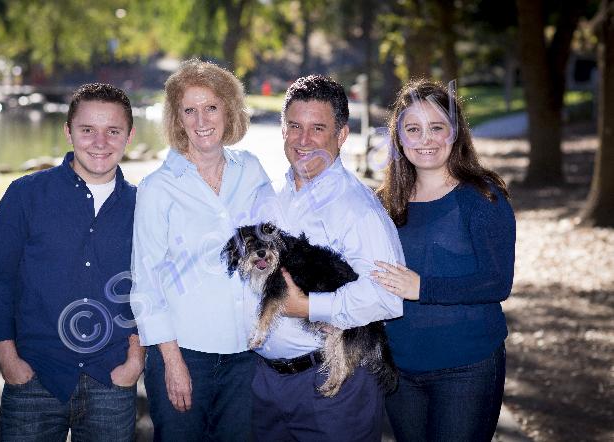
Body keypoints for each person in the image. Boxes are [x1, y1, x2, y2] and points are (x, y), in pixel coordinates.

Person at [0, 83, 145, 441]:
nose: (100, 142)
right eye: (87, 130)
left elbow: (152, 289)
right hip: (34, 377)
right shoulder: (24, 195)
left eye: (113, 131)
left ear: (129, 136)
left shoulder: (144, 206)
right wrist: (9, 361)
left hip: (111, 380)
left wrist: (135, 361)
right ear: (68, 131)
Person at [249, 74, 404, 441]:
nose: (303, 140)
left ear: (342, 134)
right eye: (294, 126)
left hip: (335, 386)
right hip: (265, 385)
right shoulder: (265, 197)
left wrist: (309, 307)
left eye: (318, 128)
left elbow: (388, 297)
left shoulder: (359, 209)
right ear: (283, 130)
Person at [129, 59, 271, 441]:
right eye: (189, 110)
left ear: (229, 110)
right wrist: (172, 362)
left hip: (246, 356)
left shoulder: (252, 171)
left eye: (211, 107)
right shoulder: (157, 188)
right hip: (184, 354)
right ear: (177, 119)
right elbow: (146, 284)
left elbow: (275, 246)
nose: (201, 120)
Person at [372, 79, 516, 441]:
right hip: (399, 369)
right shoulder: (384, 203)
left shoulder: (481, 197)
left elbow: (498, 282)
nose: (426, 139)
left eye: (437, 127)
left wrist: (422, 287)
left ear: (455, 132)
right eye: (413, 129)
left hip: (466, 367)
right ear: (398, 137)